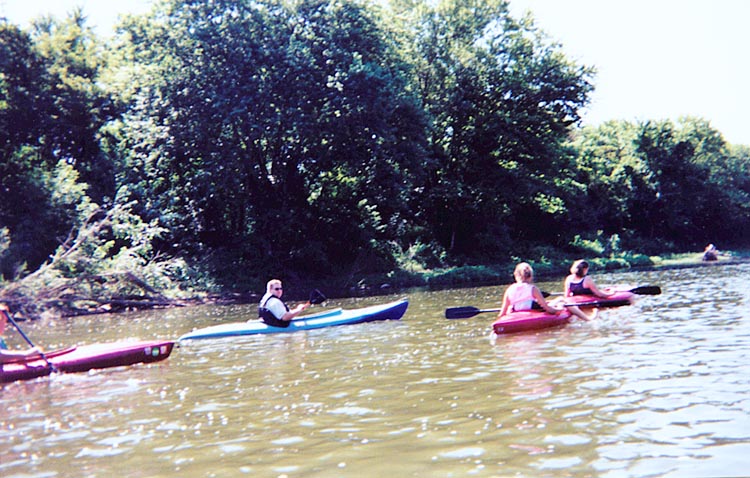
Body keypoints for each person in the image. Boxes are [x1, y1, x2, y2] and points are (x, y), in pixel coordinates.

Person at [497, 262, 596, 322]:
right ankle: (588, 319)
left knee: (559, 299)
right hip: (533, 308)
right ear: (531, 276)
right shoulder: (533, 288)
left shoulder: (509, 289)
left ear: (515, 275)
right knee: (563, 301)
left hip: (516, 309)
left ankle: (562, 302)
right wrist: (559, 310)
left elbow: (502, 313)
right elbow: (547, 309)